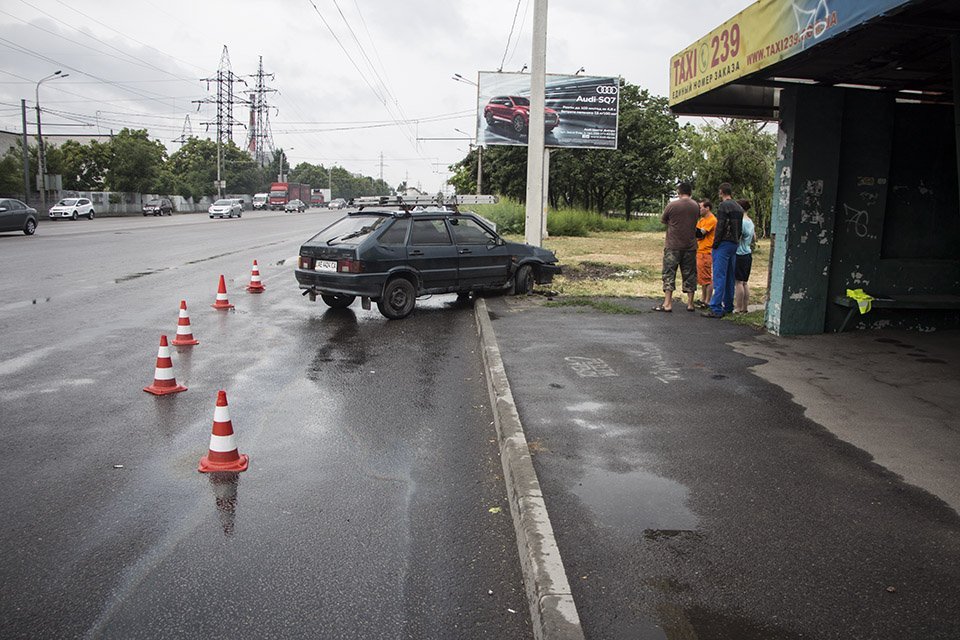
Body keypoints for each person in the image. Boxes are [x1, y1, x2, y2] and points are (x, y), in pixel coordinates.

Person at [654, 182, 699, 312]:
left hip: (673, 245)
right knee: (690, 274)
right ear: (690, 192)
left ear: (679, 192)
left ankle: (667, 303)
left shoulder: (672, 205)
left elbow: (664, 220)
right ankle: (690, 303)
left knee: (669, 273)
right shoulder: (695, 206)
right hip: (690, 245)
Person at [701, 182, 743, 318]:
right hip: (734, 243)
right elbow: (740, 228)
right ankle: (728, 305)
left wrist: (715, 243)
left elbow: (720, 226)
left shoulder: (724, 206)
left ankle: (716, 307)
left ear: (721, 192)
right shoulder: (738, 207)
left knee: (719, 276)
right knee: (730, 276)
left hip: (723, 243)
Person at [735, 199, 756, 314]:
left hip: (740, 253)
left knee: (738, 282)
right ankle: (745, 307)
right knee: (745, 282)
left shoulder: (741, 222)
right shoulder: (750, 222)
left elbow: (738, 237)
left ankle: (738, 307)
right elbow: (754, 237)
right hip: (748, 253)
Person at [694, 199, 716, 309]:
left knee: (707, 278)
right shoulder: (702, 220)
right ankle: (703, 299)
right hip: (700, 250)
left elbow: (700, 233)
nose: (699, 210)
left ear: (707, 208)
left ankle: (708, 300)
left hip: (706, 252)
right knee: (702, 278)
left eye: (700, 207)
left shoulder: (712, 220)